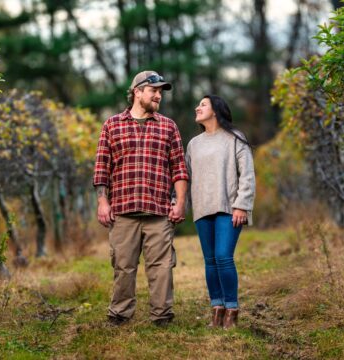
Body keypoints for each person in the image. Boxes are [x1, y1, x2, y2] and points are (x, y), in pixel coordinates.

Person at [93, 70, 188, 327]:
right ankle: (120, 314)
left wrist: (179, 203)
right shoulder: (112, 125)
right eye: (154, 91)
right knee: (123, 266)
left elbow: (179, 168)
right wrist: (103, 201)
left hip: (158, 210)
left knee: (161, 267)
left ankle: (162, 316)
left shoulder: (168, 126)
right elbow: (102, 167)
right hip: (123, 210)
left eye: (160, 92)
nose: (159, 96)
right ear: (137, 92)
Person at [185, 95, 255, 330]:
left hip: (229, 207)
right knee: (210, 260)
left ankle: (232, 310)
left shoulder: (235, 138)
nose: (198, 107)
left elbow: (247, 174)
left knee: (224, 256)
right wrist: (179, 203)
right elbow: (186, 177)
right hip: (203, 208)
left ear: (216, 110)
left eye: (203, 104)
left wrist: (242, 204)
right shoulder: (194, 144)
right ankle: (217, 309)